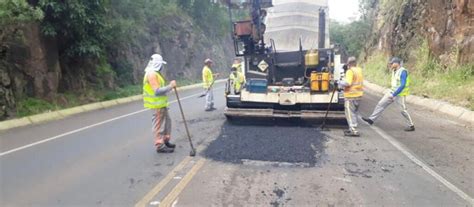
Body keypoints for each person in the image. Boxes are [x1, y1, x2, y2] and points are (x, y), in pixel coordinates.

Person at [362, 57, 415, 131]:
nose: (391, 64)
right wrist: (392, 93)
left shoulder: (403, 72)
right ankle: (371, 120)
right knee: (380, 104)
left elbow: (402, 85)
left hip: (399, 94)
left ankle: (411, 125)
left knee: (402, 110)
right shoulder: (394, 70)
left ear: (397, 63)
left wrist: (394, 95)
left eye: (392, 63)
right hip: (392, 91)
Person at [143, 54, 177, 153]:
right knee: (159, 125)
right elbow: (157, 91)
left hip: (161, 104)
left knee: (167, 123)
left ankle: (165, 140)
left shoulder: (156, 74)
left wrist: (169, 88)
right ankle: (160, 145)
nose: (162, 67)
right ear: (157, 64)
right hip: (156, 105)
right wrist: (170, 86)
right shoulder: (151, 74)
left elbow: (161, 89)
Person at [338, 57, 364, 137]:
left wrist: (339, 82)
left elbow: (348, 83)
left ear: (349, 64)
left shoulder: (350, 71)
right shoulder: (359, 70)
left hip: (351, 95)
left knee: (349, 113)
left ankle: (353, 130)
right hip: (358, 95)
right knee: (354, 112)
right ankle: (353, 128)